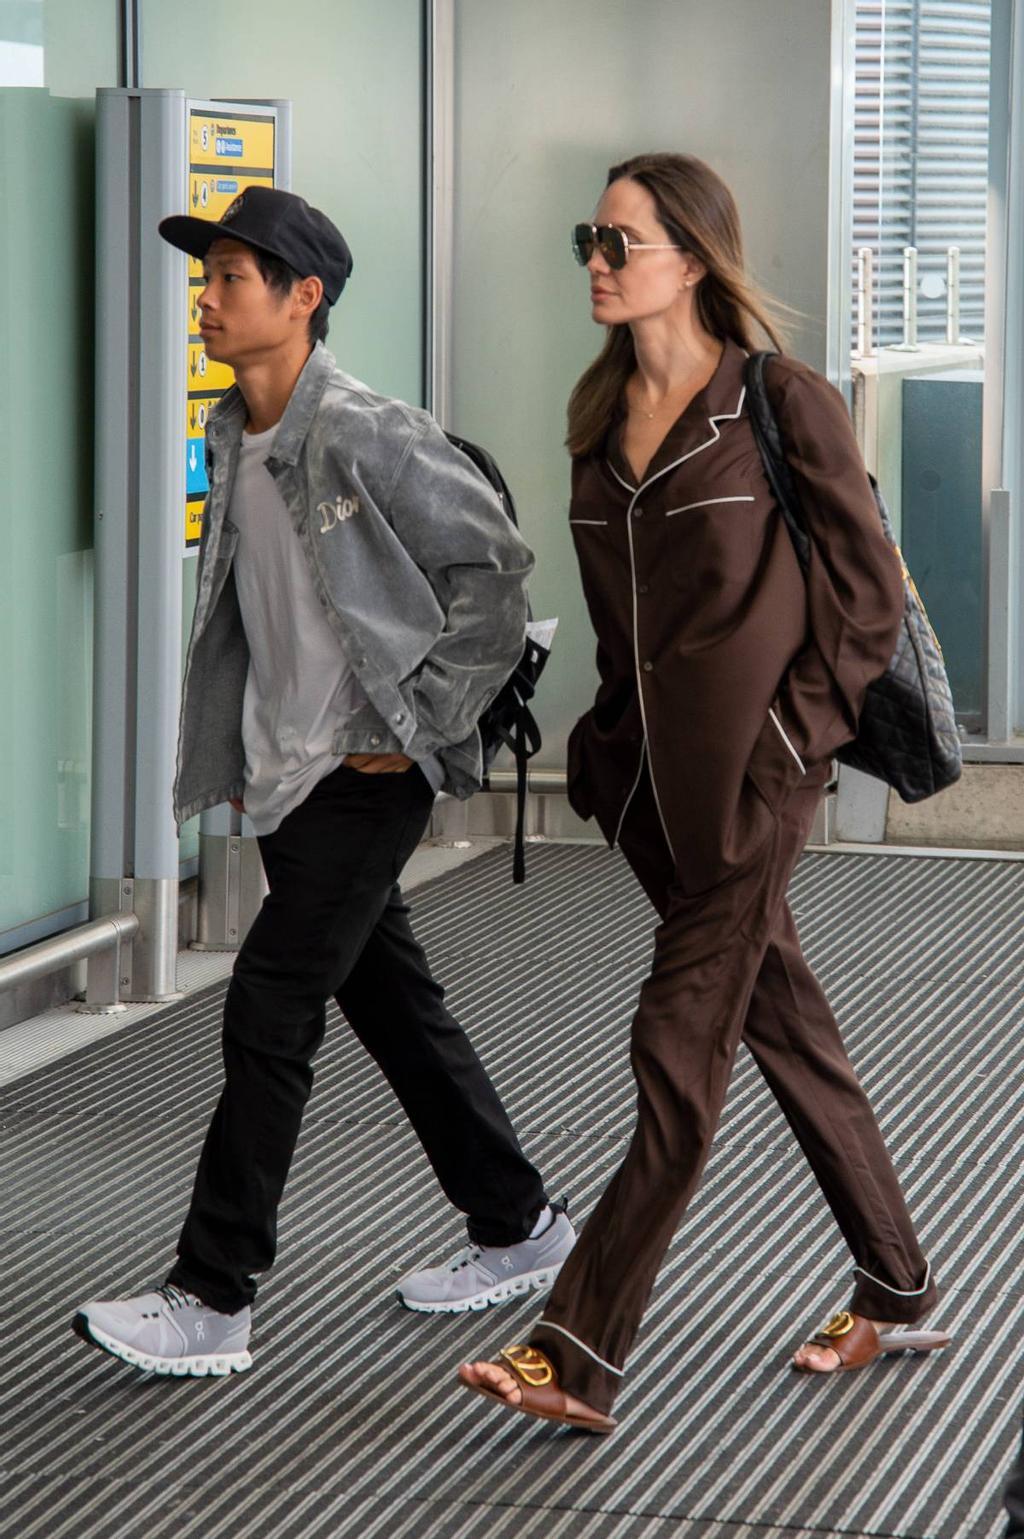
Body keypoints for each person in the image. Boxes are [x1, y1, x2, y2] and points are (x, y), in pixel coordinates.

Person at [457, 152, 950, 1434]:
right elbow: (626, 628)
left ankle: (575, 1349)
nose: (598, 264)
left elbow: (866, 595)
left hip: (754, 788)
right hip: (652, 799)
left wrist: (794, 747)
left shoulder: (779, 403)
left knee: (676, 1058)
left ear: (693, 256)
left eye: (622, 242)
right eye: (591, 239)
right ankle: (896, 1285)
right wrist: (609, 756)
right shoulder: (594, 421)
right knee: (782, 1021)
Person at [72, 186, 573, 1377]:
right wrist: (247, 753)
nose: (206, 296)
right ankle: (520, 1223)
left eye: (232, 278)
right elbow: (263, 616)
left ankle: (214, 1293)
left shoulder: (364, 429)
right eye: (206, 278)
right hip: (290, 771)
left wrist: (419, 726)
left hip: (366, 769)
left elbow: (494, 571)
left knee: (269, 1006)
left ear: (304, 299)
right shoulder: (232, 430)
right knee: (393, 1007)